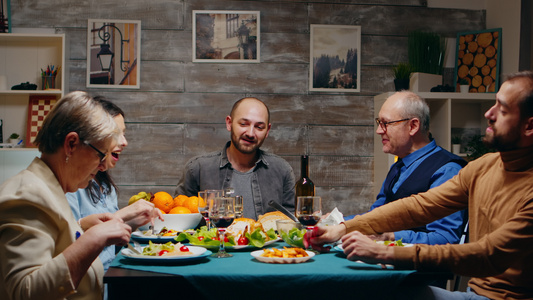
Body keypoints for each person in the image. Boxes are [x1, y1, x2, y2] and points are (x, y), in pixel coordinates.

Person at [310, 71, 533, 300]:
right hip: (473, 293)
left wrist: (386, 251)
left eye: (502, 110)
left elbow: (488, 255)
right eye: (493, 104)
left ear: (529, 127)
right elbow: (420, 206)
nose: (489, 113)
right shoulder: (484, 166)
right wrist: (345, 227)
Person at [0, 91, 131, 300]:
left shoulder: (51, 188)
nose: (101, 165)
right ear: (71, 144)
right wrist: (93, 240)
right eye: (100, 154)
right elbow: (24, 291)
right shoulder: (29, 195)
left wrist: (83, 228)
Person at [66, 97, 162, 272]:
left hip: (107, 277)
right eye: (117, 134)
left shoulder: (105, 184)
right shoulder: (72, 184)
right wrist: (124, 214)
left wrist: (134, 222)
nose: (124, 142)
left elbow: (107, 236)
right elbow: (69, 239)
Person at [364, 91, 466, 245]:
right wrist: (337, 224)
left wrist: (391, 236)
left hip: (421, 267)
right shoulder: (398, 166)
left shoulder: (448, 170)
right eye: (379, 123)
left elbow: (445, 239)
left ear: (413, 126)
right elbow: (374, 216)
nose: (379, 130)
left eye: (386, 123)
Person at [175, 97, 295, 219]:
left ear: (267, 130)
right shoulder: (197, 169)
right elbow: (179, 218)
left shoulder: (282, 170)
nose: (250, 133)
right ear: (229, 123)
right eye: (243, 124)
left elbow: (291, 225)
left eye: (259, 127)